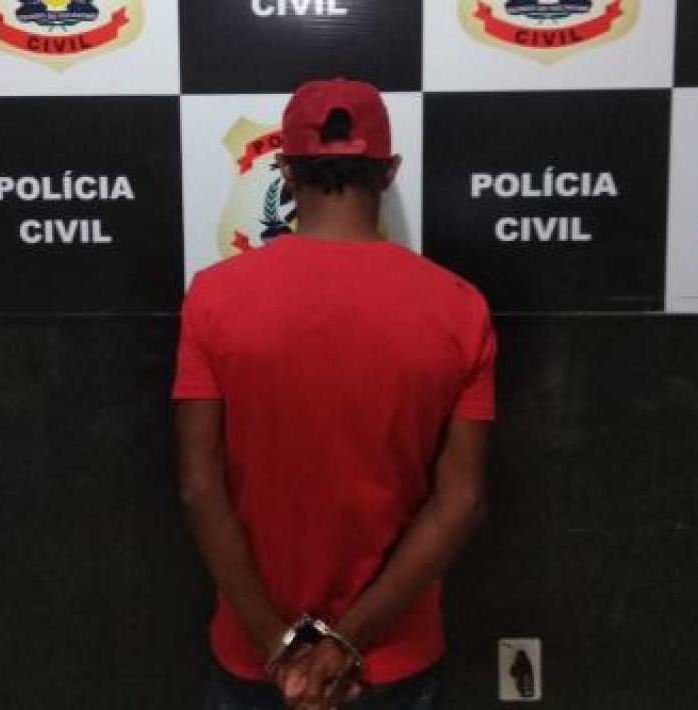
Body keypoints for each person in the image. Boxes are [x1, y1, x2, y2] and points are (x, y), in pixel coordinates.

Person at [173, 77, 497, 710]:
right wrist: (343, 646)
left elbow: (199, 487)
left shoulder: (213, 297)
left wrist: (278, 648)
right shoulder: (460, 306)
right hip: (390, 656)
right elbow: (460, 501)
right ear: (390, 172)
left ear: (286, 172)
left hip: (256, 658)